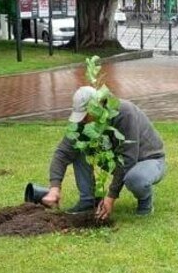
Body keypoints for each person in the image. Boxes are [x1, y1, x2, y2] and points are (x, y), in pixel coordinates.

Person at [40, 87, 166, 220]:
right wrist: (54, 188)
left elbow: (127, 159)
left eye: (85, 115)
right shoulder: (84, 122)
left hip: (148, 160)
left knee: (135, 178)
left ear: (97, 105)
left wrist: (111, 197)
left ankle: (145, 201)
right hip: (116, 159)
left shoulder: (124, 112)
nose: (82, 120)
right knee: (78, 147)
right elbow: (63, 152)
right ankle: (88, 201)